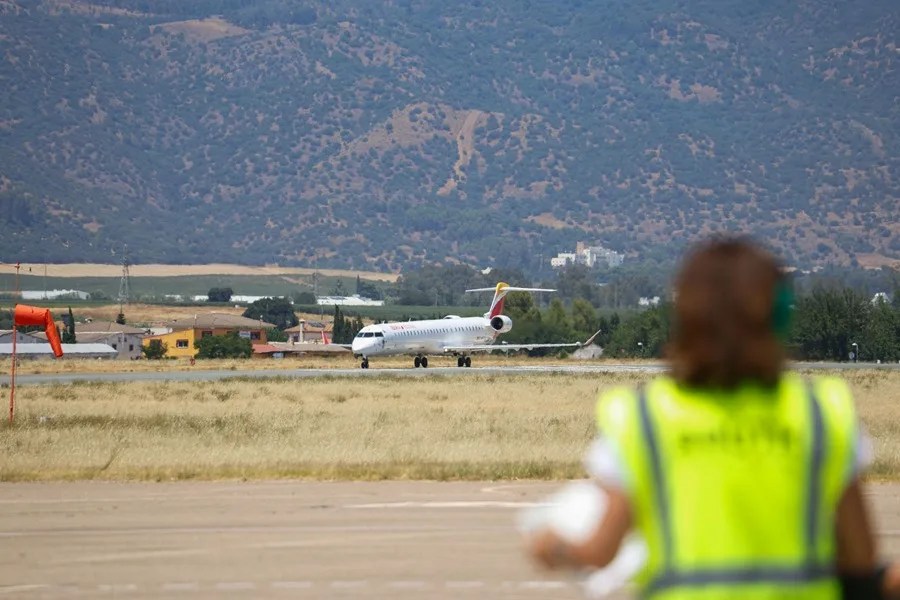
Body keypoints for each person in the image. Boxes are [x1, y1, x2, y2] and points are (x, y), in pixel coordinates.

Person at [527, 237, 900, 599]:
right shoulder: (822, 413)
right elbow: (860, 558)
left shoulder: (644, 418)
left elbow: (600, 551)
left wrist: (552, 545)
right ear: (780, 316)